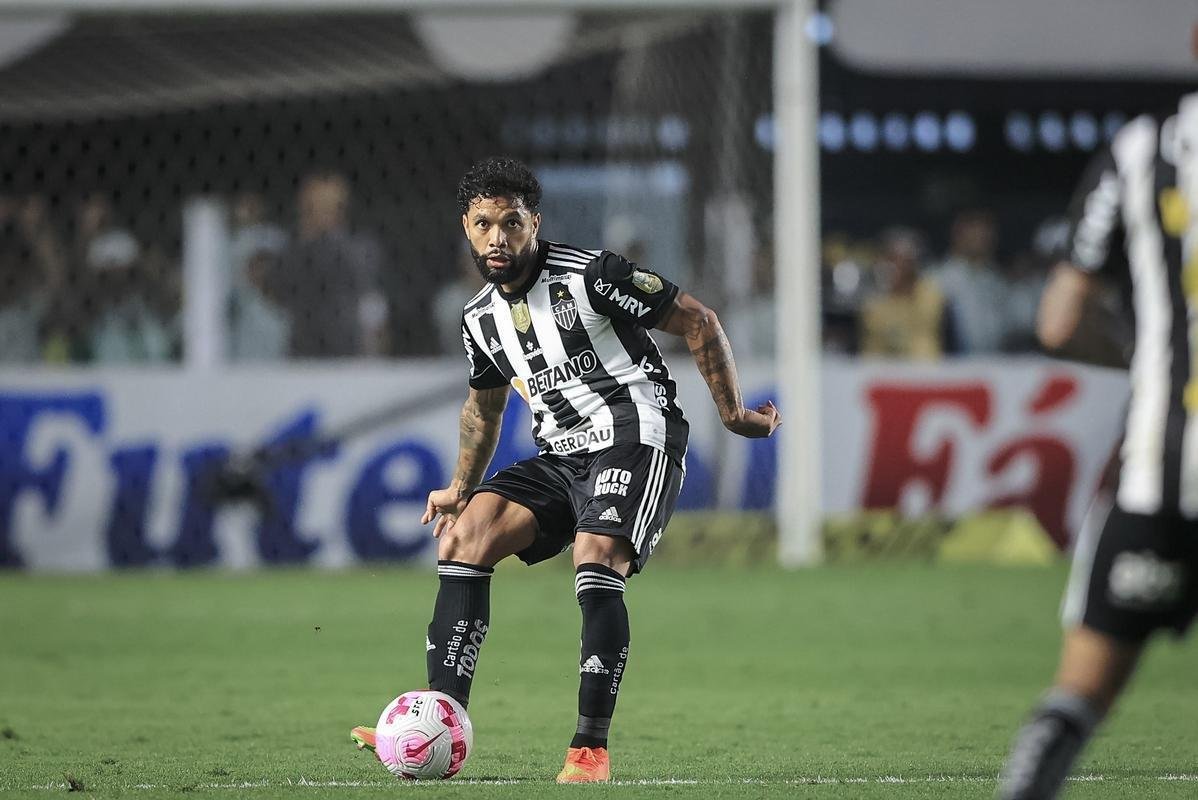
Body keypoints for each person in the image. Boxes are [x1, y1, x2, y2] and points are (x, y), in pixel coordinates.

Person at [350, 157, 781, 782]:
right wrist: (459, 488)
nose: (498, 238)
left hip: (638, 432)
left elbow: (699, 319)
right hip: (562, 453)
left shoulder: (594, 276)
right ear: (466, 229)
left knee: (596, 552)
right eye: (483, 225)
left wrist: (735, 412)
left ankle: (589, 750)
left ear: (534, 223)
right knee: (465, 534)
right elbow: (483, 407)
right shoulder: (479, 318)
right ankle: (435, 719)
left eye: (511, 223)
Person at [996, 93, 1198, 800]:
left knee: (1080, 694)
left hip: (1163, 473)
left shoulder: (1142, 153)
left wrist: (1153, 358)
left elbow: (1059, 321)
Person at [858, 227, 944, 360]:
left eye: (905, 260)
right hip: (880, 369)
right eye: (892, 259)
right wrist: (890, 292)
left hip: (922, 369)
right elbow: (875, 328)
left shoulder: (929, 291)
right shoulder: (875, 295)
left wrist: (906, 288)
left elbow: (925, 321)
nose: (898, 266)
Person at [932, 209, 1009, 354]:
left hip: (997, 366)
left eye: (987, 231)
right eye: (974, 230)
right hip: (954, 368)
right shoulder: (938, 279)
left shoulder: (997, 279)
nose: (982, 237)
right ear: (957, 233)